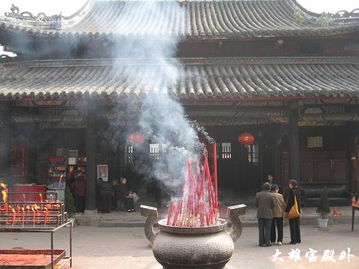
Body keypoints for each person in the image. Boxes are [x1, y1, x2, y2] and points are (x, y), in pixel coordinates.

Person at [255, 182, 276, 247]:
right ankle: (267, 242)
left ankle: (261, 242)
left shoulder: (258, 194)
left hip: (260, 213)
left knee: (261, 229)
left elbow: (256, 204)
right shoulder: (271, 195)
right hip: (269, 214)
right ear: (269, 188)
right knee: (268, 229)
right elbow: (273, 205)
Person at [285, 179, 301, 244]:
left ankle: (293, 240)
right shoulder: (297, 191)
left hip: (292, 210)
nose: (289, 185)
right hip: (297, 210)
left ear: (292, 185)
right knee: (297, 225)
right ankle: (298, 239)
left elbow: (290, 202)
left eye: (290, 184)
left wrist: (286, 210)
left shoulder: (291, 192)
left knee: (292, 225)